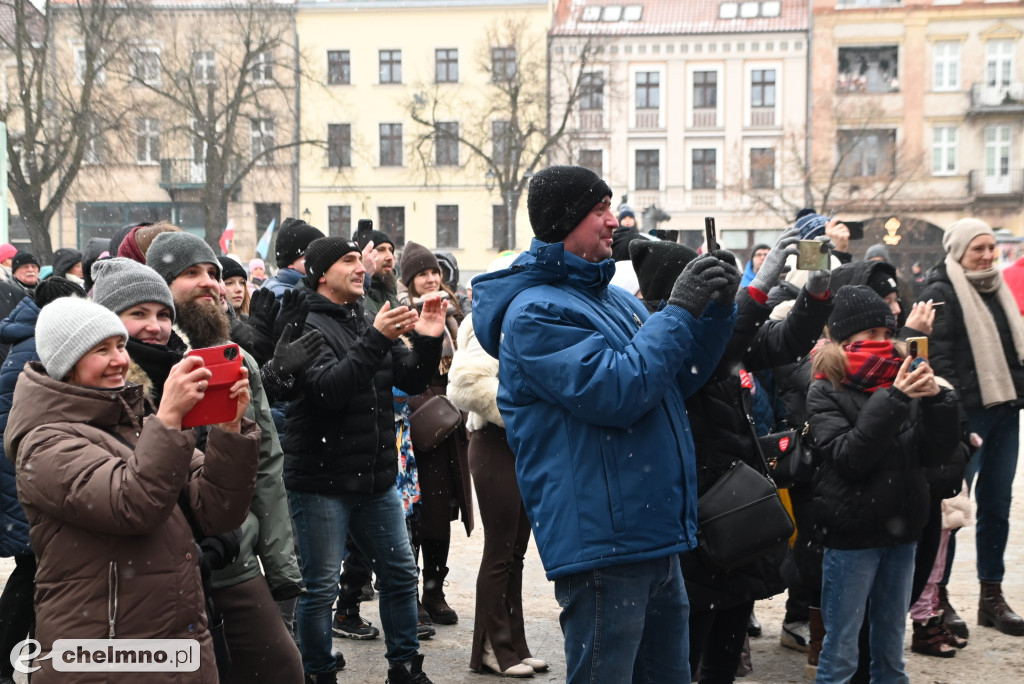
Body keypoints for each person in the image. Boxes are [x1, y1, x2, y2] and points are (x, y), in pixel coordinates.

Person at [471, 165, 738, 683]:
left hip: (652, 533)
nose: (613, 221)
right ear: (564, 222)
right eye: (599, 210)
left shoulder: (610, 297)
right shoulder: (534, 314)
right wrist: (678, 309)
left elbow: (674, 378)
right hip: (603, 542)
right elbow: (619, 390)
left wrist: (715, 310)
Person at [5, 297, 260, 683]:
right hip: (102, 651)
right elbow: (133, 505)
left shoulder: (135, 420)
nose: (119, 360)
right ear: (66, 364)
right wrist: (170, 419)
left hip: (174, 642)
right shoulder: (44, 442)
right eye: (100, 350)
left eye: (120, 346)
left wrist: (229, 431)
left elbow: (218, 510)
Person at [283, 236, 445, 684]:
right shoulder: (303, 324)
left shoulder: (362, 317)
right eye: (350, 260)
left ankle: (406, 668)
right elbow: (330, 391)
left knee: (399, 574)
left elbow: (410, 378)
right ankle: (317, 672)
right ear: (321, 275)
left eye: (361, 259)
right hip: (321, 482)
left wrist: (428, 339)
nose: (362, 267)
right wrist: (376, 337)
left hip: (374, 479)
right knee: (320, 588)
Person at [145, 232, 306, 682]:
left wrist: (279, 568)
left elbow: (267, 466)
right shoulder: (140, 360)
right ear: (160, 283)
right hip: (164, 564)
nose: (209, 283)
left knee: (281, 669)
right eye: (190, 273)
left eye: (213, 274)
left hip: (235, 556)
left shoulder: (238, 362)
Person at [808, 285, 959, 684]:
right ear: (844, 340)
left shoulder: (903, 374)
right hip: (852, 534)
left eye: (884, 333)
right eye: (869, 335)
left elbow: (934, 454)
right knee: (841, 651)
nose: (880, 343)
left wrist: (938, 401)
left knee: (891, 650)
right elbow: (848, 459)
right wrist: (893, 398)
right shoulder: (826, 387)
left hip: (903, 527)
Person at [917, 218, 1024, 638]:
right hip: (965, 419)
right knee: (952, 512)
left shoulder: (999, 287)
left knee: (997, 506)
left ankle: (991, 596)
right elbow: (938, 363)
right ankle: (938, 597)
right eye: (977, 248)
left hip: (1006, 411)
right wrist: (954, 417)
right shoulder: (940, 293)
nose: (986, 255)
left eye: (991, 247)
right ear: (959, 250)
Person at [449, 256, 546, 678]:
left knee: (516, 554)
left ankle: (510, 645)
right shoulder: (483, 321)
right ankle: (497, 650)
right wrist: (523, 410)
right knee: (501, 553)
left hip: (518, 445)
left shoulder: (524, 315)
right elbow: (465, 384)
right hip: (493, 444)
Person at [0, 277, 85, 684]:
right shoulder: (39, 349)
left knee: (35, 572)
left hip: (23, 477)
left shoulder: (33, 342)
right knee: (33, 572)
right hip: (23, 480)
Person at [399, 241, 473, 628]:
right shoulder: (402, 316)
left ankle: (435, 590)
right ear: (409, 280)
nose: (430, 279)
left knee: (443, 514)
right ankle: (409, 595)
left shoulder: (454, 314)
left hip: (450, 426)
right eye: (422, 273)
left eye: (434, 272)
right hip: (417, 428)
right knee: (416, 515)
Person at [263, 217, 324, 298]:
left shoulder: (301, 288)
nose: (320, 258)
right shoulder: (284, 296)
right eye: (314, 253)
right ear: (291, 262)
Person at [357, 228, 400, 316]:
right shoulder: (354, 294)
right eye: (381, 250)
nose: (390, 257)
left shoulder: (393, 290)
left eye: (391, 250)